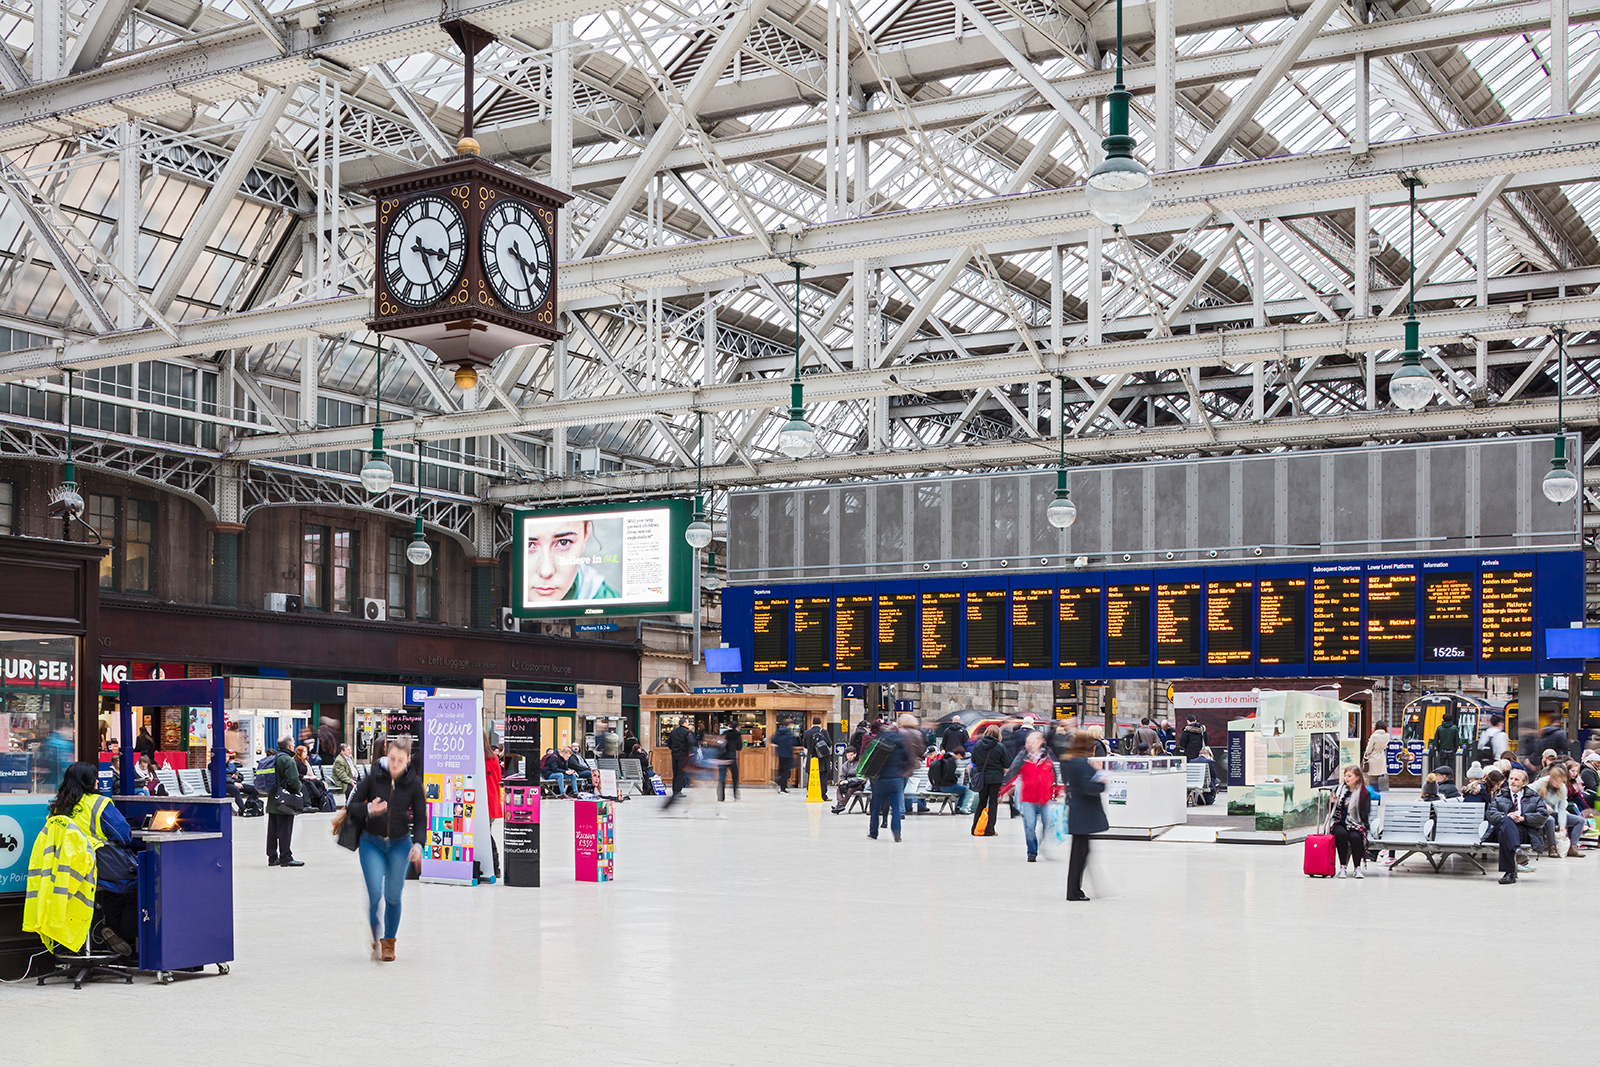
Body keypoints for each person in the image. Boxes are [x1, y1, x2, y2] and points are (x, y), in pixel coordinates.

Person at [41, 762, 139, 956]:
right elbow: (123, 836)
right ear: (91, 781)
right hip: (100, 868)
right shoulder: (99, 804)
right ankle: (122, 936)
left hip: (68, 873)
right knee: (137, 885)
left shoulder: (58, 807)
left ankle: (106, 933)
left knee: (113, 891)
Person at [347, 738, 426, 961]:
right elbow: (351, 807)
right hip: (371, 842)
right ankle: (375, 931)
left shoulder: (414, 784)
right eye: (392, 759)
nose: (395, 764)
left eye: (400, 760)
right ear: (386, 756)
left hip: (400, 845)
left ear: (408, 760)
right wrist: (368, 809)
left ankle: (388, 942)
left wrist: (419, 845)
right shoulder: (372, 778)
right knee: (374, 893)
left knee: (393, 896)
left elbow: (421, 819)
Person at [522, 516, 621, 603]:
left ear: (585, 534)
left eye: (563, 542)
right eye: (529, 544)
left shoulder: (610, 602)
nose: (546, 571)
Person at [1002, 732, 1063, 862]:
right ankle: (1032, 852)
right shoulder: (1022, 757)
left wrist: (1058, 789)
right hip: (1028, 798)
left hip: (1045, 798)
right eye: (1027, 742)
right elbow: (1012, 773)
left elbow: (1056, 774)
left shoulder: (1049, 756)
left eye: (1032, 741)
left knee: (1048, 823)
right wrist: (1003, 791)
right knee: (1029, 826)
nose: (1029, 744)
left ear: (1041, 741)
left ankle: (1042, 843)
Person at [1062, 731, 1107, 901]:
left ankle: (1074, 890)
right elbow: (1089, 787)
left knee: (1080, 852)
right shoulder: (1081, 763)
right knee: (1079, 854)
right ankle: (1074, 891)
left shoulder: (1072, 761)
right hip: (1084, 813)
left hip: (1078, 811)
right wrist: (1101, 782)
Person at [1486, 767, 1548, 884]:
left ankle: (1510, 873)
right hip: (1502, 826)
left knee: (1506, 834)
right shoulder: (1500, 796)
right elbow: (1490, 814)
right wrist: (1506, 816)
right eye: (1511, 779)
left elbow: (1542, 815)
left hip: (1524, 829)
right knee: (1506, 822)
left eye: (1516, 779)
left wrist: (1523, 818)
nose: (1512, 781)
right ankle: (1517, 851)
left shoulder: (1534, 797)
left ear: (1524, 783)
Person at [866, 723, 909, 842]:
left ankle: (873, 833)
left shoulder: (878, 741)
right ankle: (897, 832)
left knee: (876, 807)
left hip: (880, 779)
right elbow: (908, 759)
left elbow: (870, 760)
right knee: (895, 807)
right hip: (896, 779)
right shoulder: (901, 743)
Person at [1327, 766, 1372, 879]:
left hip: (1355, 823)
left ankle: (1357, 867)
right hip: (1339, 822)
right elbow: (1330, 810)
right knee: (1341, 835)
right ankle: (1343, 866)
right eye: (1345, 776)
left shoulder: (1363, 793)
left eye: (1349, 776)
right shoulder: (1339, 789)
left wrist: (1363, 828)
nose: (1346, 778)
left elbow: (1365, 812)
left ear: (1357, 777)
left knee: (1356, 838)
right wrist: (1332, 803)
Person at [1531, 764, 1585, 858]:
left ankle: (1573, 847)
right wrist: (1543, 804)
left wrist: (1562, 825)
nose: (1557, 784)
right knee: (1550, 820)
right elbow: (1527, 792)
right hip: (1539, 812)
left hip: (1554, 812)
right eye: (1556, 781)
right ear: (1551, 778)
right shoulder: (1542, 782)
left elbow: (1562, 808)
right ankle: (1552, 848)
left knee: (1580, 820)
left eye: (1560, 782)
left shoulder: (1562, 787)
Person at [266, 737, 304, 867]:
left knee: (272, 830)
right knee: (285, 829)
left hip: (272, 800)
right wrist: (299, 788)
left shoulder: (274, 758)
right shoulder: (288, 760)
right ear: (289, 746)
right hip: (285, 801)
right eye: (293, 743)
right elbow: (293, 781)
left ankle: (272, 857)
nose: (294, 744)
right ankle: (286, 857)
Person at [969, 725, 1008, 836]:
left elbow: (973, 760)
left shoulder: (978, 745)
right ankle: (989, 829)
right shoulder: (1000, 746)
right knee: (993, 803)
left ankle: (975, 828)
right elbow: (1007, 763)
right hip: (995, 778)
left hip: (982, 778)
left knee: (981, 802)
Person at [897, 713, 928, 815]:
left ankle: (901, 811)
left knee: (899, 789)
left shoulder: (899, 732)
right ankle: (905, 808)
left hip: (898, 764)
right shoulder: (917, 733)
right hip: (910, 765)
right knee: (903, 787)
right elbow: (922, 749)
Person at [663, 719, 695, 811]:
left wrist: (673, 748)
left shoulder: (673, 732)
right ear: (684, 723)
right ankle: (678, 791)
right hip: (683, 755)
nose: (688, 724)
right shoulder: (687, 732)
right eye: (687, 722)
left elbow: (668, 743)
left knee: (675, 772)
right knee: (681, 773)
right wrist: (690, 751)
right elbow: (691, 742)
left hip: (674, 754)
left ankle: (674, 790)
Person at [485, 737, 504, 879]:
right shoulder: (493, 757)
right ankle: (494, 867)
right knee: (486, 833)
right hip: (490, 801)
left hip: (484, 801)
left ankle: (494, 865)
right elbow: (498, 778)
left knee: (484, 835)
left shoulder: (480, 757)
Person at [803, 716, 833, 801]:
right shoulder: (824, 732)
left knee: (811, 776)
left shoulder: (807, 733)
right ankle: (823, 795)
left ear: (812, 722)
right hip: (822, 758)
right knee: (823, 776)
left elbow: (805, 745)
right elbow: (830, 743)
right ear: (820, 722)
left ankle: (810, 793)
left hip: (811, 758)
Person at [771, 718, 798, 793]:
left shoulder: (779, 731)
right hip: (788, 754)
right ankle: (783, 787)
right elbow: (793, 742)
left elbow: (773, 739)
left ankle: (782, 785)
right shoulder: (789, 732)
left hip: (780, 753)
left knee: (782, 770)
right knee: (786, 771)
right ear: (789, 725)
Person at [719, 720, 742, 801]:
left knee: (722, 777)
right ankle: (735, 795)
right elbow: (739, 747)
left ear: (729, 725)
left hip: (723, 757)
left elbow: (719, 743)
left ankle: (721, 797)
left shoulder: (724, 733)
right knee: (735, 776)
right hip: (732, 757)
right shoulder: (738, 734)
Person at [1364, 725, 1391, 794]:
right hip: (1381, 757)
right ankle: (1378, 795)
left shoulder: (1374, 736)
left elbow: (1369, 749)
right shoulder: (1387, 736)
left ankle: (1375, 795)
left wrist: (1366, 755)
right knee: (1377, 778)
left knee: (1372, 779)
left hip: (1373, 758)